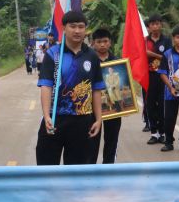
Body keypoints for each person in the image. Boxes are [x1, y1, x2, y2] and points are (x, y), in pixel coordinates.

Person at [36, 10, 104, 165]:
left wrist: (99, 119)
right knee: (47, 166)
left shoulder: (92, 56)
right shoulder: (53, 54)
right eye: (73, 26)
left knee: (78, 170)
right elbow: (46, 86)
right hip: (55, 119)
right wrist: (46, 115)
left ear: (85, 30)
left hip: (82, 120)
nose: (77, 31)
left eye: (81, 27)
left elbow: (96, 89)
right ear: (64, 28)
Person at [89, 27, 123, 164]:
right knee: (92, 139)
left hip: (113, 105)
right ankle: (91, 168)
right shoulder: (88, 60)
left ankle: (108, 167)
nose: (102, 44)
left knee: (112, 139)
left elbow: (122, 83)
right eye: (99, 42)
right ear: (93, 43)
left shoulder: (117, 62)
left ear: (110, 42)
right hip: (92, 106)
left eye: (105, 41)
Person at [144, 14, 170, 144]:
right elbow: (139, 56)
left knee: (162, 105)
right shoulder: (144, 41)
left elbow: (169, 57)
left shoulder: (166, 41)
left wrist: (153, 55)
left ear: (161, 25)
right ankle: (154, 133)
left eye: (157, 23)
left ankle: (162, 133)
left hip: (162, 76)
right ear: (149, 26)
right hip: (148, 76)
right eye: (152, 24)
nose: (155, 26)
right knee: (150, 105)